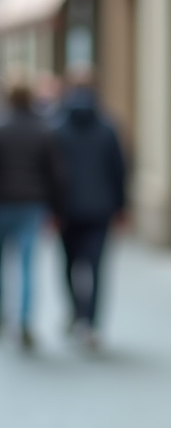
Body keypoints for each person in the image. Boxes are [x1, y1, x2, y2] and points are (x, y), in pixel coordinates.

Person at [53, 77, 127, 349]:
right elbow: (119, 170)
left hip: (67, 209)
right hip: (100, 208)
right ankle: (91, 323)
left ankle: (76, 311)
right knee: (95, 267)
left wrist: (52, 208)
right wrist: (121, 207)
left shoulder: (58, 127)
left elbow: (53, 173)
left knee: (69, 265)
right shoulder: (108, 128)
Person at [0, 79, 64, 349]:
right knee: (27, 264)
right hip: (32, 204)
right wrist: (56, 208)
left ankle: (4, 315)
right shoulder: (43, 130)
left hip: (4, 203)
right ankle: (25, 321)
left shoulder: (2, 129)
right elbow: (56, 174)